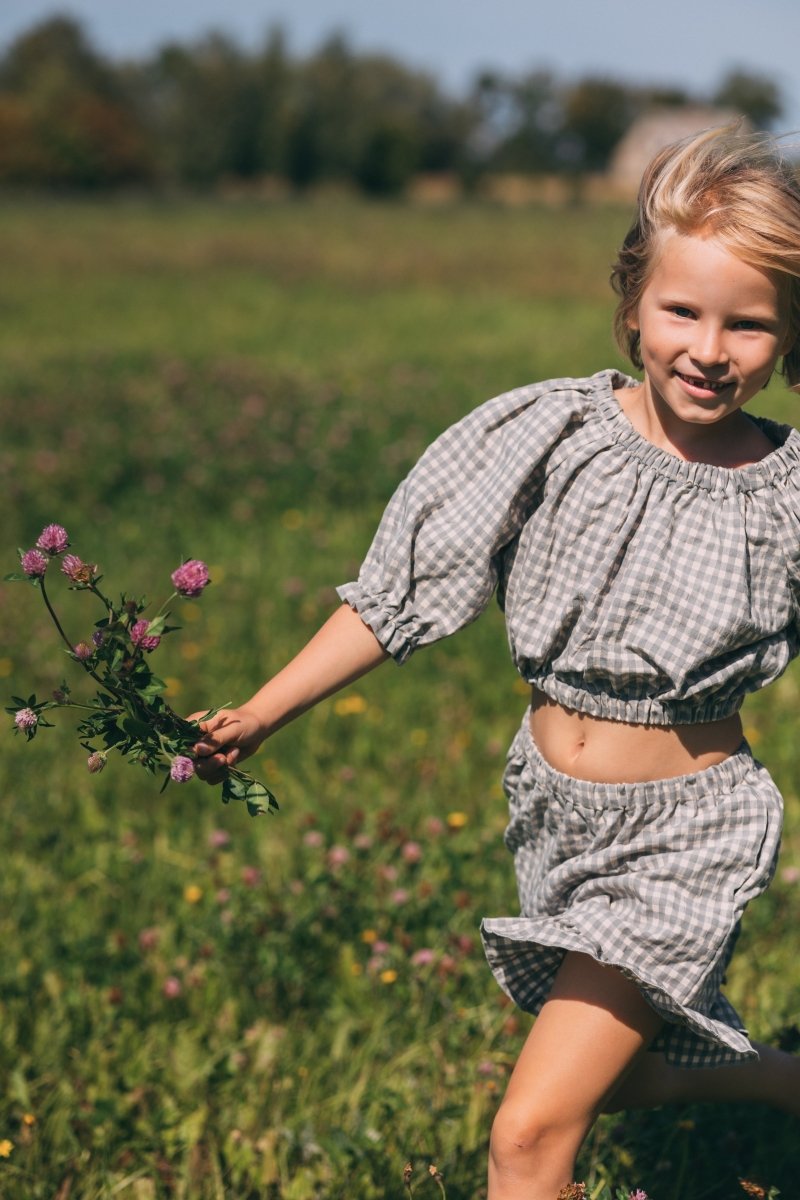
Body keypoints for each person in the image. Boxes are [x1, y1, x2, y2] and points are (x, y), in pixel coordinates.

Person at [191, 125, 800, 1199]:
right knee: (603, 1085)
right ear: (631, 308)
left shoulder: (783, 490)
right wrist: (263, 710)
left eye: (746, 325)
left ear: (786, 337)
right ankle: (779, 1083)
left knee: (527, 1135)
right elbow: (403, 591)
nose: (709, 348)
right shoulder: (549, 435)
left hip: (684, 837)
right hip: (552, 815)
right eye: (680, 311)